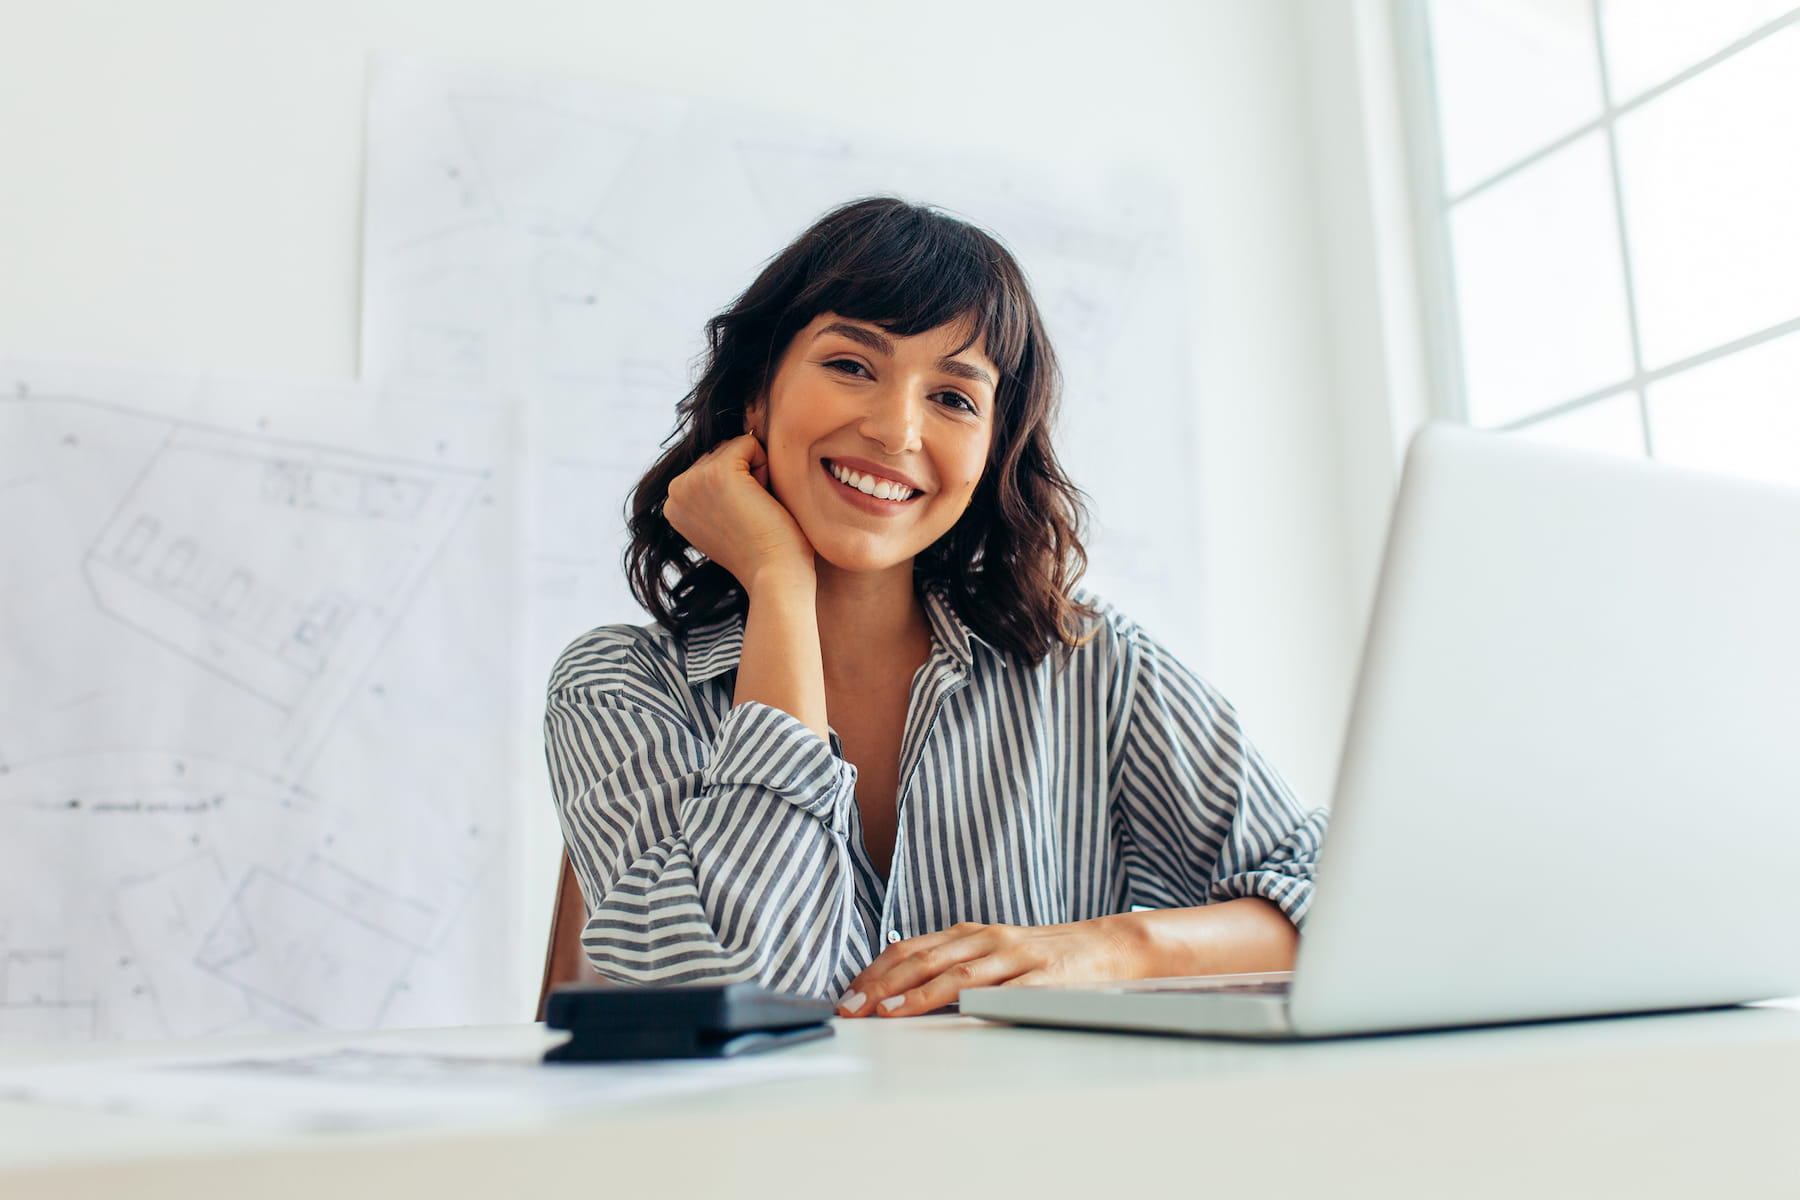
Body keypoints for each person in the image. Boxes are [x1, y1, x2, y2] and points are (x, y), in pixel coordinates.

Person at [544, 197, 1326, 1018]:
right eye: (850, 365)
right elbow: (736, 996)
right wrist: (778, 583)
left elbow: (1341, 902)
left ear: (991, 452)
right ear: (757, 399)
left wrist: (1109, 948)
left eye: (954, 398)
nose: (895, 429)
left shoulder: (1088, 662)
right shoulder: (616, 685)